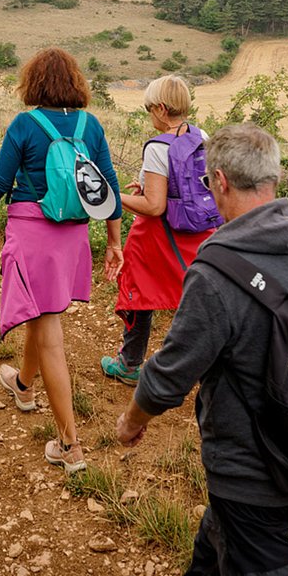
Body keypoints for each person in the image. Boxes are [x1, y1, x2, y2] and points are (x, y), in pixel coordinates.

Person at [114, 123, 288, 576]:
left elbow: (171, 373)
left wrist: (131, 421)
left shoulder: (216, 270)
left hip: (251, 471)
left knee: (260, 573)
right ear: (273, 177)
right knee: (219, 550)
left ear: (219, 181)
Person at [0, 47, 122, 475]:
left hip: (32, 233)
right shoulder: (90, 126)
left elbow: (0, 180)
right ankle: (23, 385)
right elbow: (108, 185)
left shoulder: (25, 124)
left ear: (33, 83)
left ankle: (70, 446)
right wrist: (115, 241)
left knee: (49, 328)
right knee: (43, 312)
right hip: (72, 236)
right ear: (75, 82)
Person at [102, 75, 219, 385]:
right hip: (198, 232)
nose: (149, 115)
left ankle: (130, 363)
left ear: (162, 109)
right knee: (196, 295)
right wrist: (147, 183)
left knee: (139, 290)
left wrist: (114, 196)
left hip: (159, 235)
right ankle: (206, 368)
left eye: (149, 108)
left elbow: (154, 206)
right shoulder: (201, 135)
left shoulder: (157, 147)